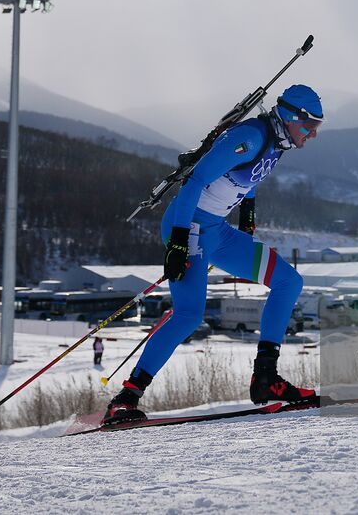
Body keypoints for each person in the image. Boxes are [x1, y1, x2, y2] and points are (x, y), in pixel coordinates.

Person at [103, 85, 323, 425]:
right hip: (188, 227)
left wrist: (247, 211)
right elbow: (193, 182)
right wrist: (178, 241)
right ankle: (126, 398)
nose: (312, 136)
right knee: (189, 315)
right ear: (292, 117)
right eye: (310, 127)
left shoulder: (278, 143)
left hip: (217, 231)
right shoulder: (250, 136)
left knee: (288, 281)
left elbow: (249, 178)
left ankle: (266, 377)